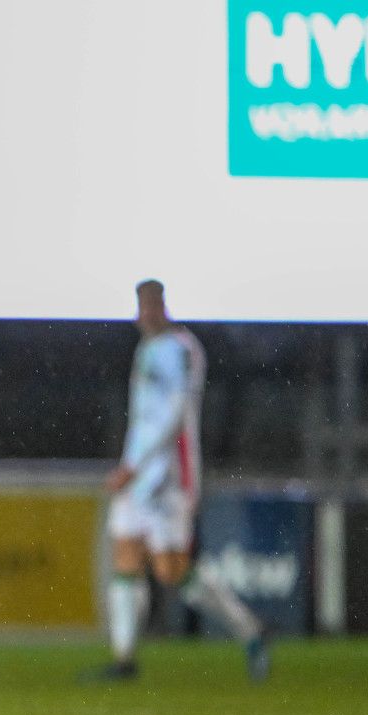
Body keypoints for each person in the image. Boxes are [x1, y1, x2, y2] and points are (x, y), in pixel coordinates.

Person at [85, 279, 270, 684]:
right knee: (126, 558)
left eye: (152, 304)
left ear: (163, 306)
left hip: (168, 475)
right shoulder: (147, 348)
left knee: (172, 572)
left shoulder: (180, 349)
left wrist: (133, 466)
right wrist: (130, 466)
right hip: (137, 473)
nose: (145, 313)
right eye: (140, 305)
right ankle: (123, 660)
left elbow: (174, 416)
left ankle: (251, 631)